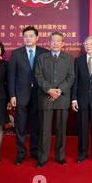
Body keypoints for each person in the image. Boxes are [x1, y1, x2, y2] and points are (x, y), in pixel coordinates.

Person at [8, 26, 49, 166]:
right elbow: (11, 76)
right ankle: (20, 153)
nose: (28, 38)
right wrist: (12, 95)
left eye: (31, 36)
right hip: (21, 95)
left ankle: (35, 151)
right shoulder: (16, 53)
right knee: (20, 125)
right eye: (25, 36)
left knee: (36, 125)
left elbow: (47, 75)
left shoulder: (45, 53)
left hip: (39, 94)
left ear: (37, 38)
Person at [34, 32, 75, 168]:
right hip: (46, 97)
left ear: (63, 43)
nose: (55, 43)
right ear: (49, 43)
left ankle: (60, 157)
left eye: (58, 41)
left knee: (61, 130)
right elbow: (38, 76)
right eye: (53, 41)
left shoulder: (69, 58)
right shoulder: (41, 58)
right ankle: (43, 158)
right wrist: (49, 90)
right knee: (44, 130)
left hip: (62, 98)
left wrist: (59, 91)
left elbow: (71, 77)